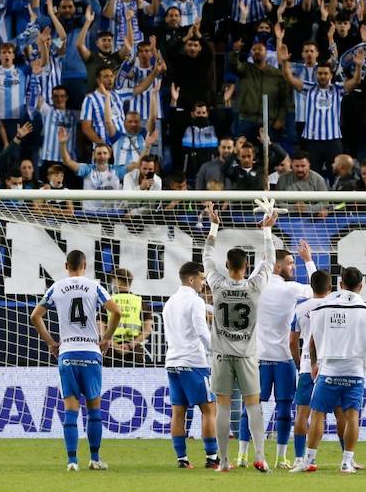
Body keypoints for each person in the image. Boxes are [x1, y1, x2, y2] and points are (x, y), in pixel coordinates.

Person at [29, 249, 122, 471]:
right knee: (94, 409)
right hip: (91, 352)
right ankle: (95, 459)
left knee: (70, 409)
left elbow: (35, 316)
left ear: (66, 266)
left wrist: (51, 342)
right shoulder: (94, 286)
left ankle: (72, 461)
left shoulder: (56, 287)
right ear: (84, 265)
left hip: (68, 353)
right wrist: (107, 338)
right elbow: (116, 312)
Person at [202, 198, 276, 472]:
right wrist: (266, 230)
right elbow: (269, 261)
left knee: (222, 407)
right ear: (246, 266)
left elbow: (206, 257)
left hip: (221, 355)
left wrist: (213, 226)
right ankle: (260, 456)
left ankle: (223, 461)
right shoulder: (254, 286)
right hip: (246, 354)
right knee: (253, 406)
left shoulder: (218, 285)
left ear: (227, 264)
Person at [300, 265, 366, 474]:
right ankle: (347, 462)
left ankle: (309, 460)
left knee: (317, 414)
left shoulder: (322, 308)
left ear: (340, 284)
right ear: (361, 286)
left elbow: (312, 342)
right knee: (352, 416)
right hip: (355, 370)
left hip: (329, 370)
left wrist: (314, 364)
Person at [248, 238, 317, 468]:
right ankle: (282, 457)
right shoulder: (291, 288)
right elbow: (317, 289)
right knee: (285, 410)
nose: (292, 267)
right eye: (289, 263)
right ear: (277, 267)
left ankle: (242, 454)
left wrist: (266, 235)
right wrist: (309, 261)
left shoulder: (256, 285)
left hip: (259, 358)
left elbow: (259, 267)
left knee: (252, 407)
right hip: (284, 359)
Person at [162, 259, 220, 469]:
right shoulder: (195, 301)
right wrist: (216, 349)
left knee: (178, 411)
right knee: (209, 409)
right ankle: (212, 458)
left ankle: (182, 459)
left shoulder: (169, 302)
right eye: (202, 279)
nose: (203, 283)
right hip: (193, 362)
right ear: (192, 278)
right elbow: (201, 329)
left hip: (172, 361)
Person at [288, 268, 331, 470]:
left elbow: (292, 341)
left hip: (306, 365)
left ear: (311, 287)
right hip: (330, 365)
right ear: (330, 287)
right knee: (340, 413)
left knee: (302, 413)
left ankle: (298, 457)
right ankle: (347, 459)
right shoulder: (333, 305)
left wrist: (299, 364)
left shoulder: (300, 309)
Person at [103, 267, 153, 363]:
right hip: (134, 350)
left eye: (113, 281)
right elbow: (147, 330)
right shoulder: (140, 302)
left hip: (111, 351)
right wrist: (131, 345)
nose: (112, 284)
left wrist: (115, 346)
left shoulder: (108, 302)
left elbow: (101, 331)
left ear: (118, 282)